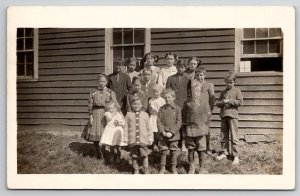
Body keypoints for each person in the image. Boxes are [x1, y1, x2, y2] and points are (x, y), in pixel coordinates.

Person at [182, 66, 216, 174]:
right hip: (191, 121)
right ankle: (191, 165)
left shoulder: (208, 87)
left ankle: (201, 166)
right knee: (190, 145)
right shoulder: (189, 93)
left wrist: (210, 110)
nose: (199, 77)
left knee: (202, 145)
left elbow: (212, 99)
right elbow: (186, 102)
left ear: (204, 76)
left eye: (201, 75)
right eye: (197, 75)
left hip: (202, 119)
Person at [82, 74, 117, 160]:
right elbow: (90, 104)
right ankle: (98, 153)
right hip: (95, 114)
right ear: (97, 82)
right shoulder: (93, 92)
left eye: (104, 81)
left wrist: (113, 115)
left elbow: (114, 104)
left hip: (106, 114)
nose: (102, 83)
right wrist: (91, 116)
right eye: (100, 81)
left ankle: (106, 153)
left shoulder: (110, 92)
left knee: (105, 134)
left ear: (107, 82)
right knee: (96, 136)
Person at [215, 71, 243, 165]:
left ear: (234, 82)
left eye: (231, 82)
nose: (229, 84)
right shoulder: (223, 92)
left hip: (233, 116)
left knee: (234, 136)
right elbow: (217, 103)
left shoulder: (237, 91)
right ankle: (225, 152)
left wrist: (230, 101)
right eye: (227, 82)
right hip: (224, 116)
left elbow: (240, 102)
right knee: (224, 136)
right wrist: (222, 102)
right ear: (225, 82)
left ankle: (236, 156)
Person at [166, 59, 191, 152]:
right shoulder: (170, 78)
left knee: (183, 125)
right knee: (173, 123)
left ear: (185, 68)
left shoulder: (188, 79)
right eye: (179, 67)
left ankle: (183, 143)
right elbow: (167, 92)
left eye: (183, 67)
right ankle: (173, 142)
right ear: (176, 67)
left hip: (183, 105)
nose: (181, 69)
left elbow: (189, 93)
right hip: (174, 104)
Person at [123, 96, 153, 174]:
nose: (137, 106)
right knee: (134, 155)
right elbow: (125, 127)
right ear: (131, 105)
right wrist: (125, 138)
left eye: (139, 104)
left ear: (142, 105)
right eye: (135, 104)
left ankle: (145, 168)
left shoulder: (145, 115)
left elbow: (149, 128)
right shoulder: (128, 115)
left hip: (143, 139)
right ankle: (135, 168)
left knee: (144, 154)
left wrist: (150, 138)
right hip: (132, 139)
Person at [157, 89, 182, 174]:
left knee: (173, 150)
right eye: (166, 97)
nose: (167, 99)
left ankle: (173, 167)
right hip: (163, 134)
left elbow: (179, 122)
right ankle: (162, 167)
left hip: (173, 135)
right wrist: (162, 131)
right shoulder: (161, 109)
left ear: (173, 98)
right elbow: (159, 121)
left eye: (169, 97)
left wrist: (171, 132)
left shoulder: (177, 109)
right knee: (163, 150)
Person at [148, 84, 166, 152]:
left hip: (159, 117)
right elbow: (150, 108)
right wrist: (151, 111)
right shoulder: (151, 100)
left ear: (160, 92)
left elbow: (163, 109)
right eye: (154, 92)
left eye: (157, 92)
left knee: (159, 131)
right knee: (153, 131)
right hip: (152, 118)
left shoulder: (162, 100)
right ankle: (153, 144)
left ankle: (160, 144)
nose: (155, 93)